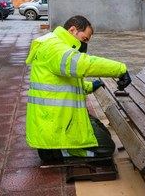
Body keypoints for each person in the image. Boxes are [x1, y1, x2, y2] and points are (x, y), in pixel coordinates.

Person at [25, 15, 131, 162]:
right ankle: (54, 153)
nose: (84, 44)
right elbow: (83, 64)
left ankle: (57, 148)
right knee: (106, 149)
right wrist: (120, 69)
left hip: (57, 119)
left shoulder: (54, 42)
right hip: (55, 126)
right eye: (84, 39)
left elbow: (62, 83)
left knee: (104, 134)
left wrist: (89, 86)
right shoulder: (54, 47)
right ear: (73, 30)